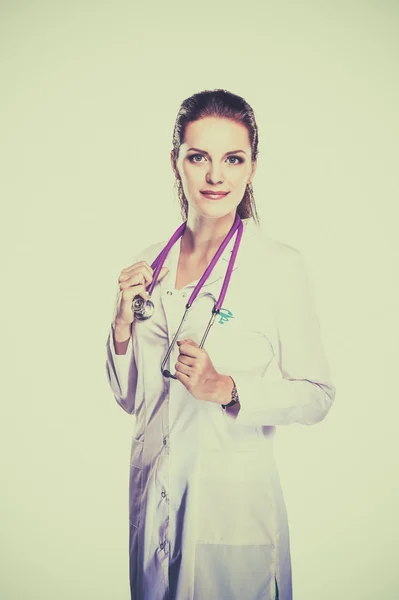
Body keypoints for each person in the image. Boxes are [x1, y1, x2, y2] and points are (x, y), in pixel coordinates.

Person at [105, 89, 336, 600]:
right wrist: (123, 325)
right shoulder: (147, 265)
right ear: (176, 163)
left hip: (232, 517)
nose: (216, 176)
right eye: (199, 157)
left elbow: (318, 394)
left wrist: (227, 388)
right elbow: (132, 400)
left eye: (233, 159)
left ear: (252, 167)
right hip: (154, 508)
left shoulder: (278, 265)